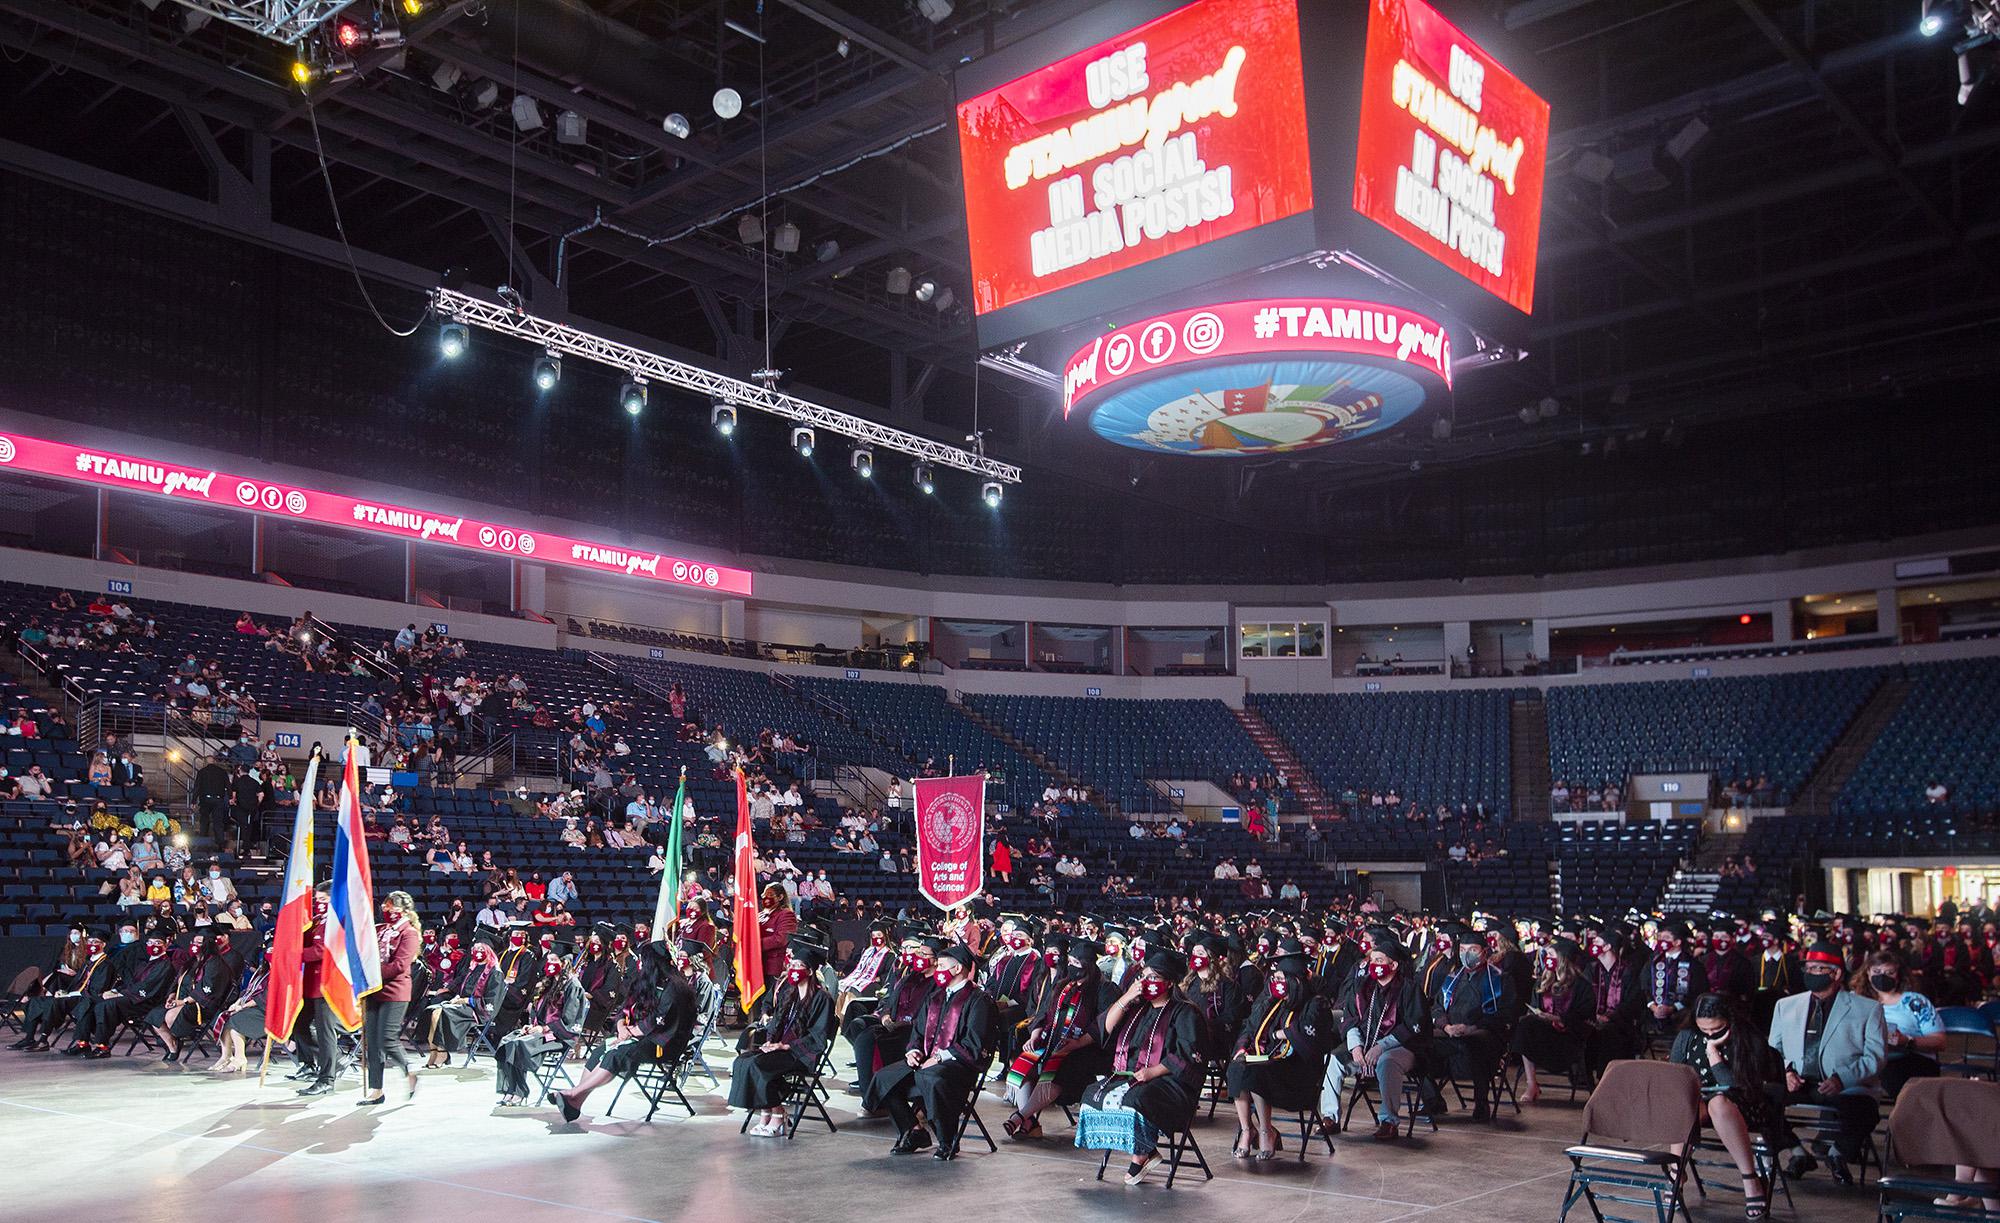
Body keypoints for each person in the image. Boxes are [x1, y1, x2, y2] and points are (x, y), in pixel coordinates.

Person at [1083, 946, 1204, 1184]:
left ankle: (1142, 1154)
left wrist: (1153, 1072)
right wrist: (1127, 996)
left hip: (1170, 1081)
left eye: (1154, 977)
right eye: (1144, 976)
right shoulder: (1138, 1008)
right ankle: (1143, 1149)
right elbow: (1104, 1028)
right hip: (1133, 1075)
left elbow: (1188, 1054)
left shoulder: (1185, 1012)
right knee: (1092, 1093)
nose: (1147, 982)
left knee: (1137, 1099)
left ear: (1169, 982)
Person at [1769, 939, 1886, 1185]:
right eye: (1808, 968)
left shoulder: (1867, 1009)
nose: (1810, 974)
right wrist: (1786, 1071)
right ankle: (1798, 1153)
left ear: (1836, 973)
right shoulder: (1786, 1006)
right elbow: (1774, 1050)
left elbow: (1875, 1057)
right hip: (1799, 1082)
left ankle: (1838, 1154)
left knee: (1865, 1110)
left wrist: (1842, 1078)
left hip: (1845, 1084)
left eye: (1817, 969)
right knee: (1758, 1102)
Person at [550, 940, 698, 1122]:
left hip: (663, 1042)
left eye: (644, 960)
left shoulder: (675, 987)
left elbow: (661, 1018)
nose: (640, 964)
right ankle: (576, 1103)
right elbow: (624, 1007)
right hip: (637, 1035)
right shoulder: (645, 981)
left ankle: (573, 1093)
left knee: (616, 1054)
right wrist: (621, 1027)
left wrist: (632, 1032)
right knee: (600, 1050)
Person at [872, 942, 995, 1159]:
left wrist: (940, 1057)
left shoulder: (979, 1000)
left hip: (959, 1065)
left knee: (931, 1078)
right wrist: (913, 1051)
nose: (937, 971)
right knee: (884, 1078)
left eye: (941, 966)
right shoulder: (935, 997)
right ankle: (913, 1130)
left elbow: (975, 1043)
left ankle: (947, 1140)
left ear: (957, 969)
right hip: (927, 1062)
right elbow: (918, 1033)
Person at [1670, 994, 1783, 1220]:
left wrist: (1713, 1054)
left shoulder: (1747, 1038)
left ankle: (1750, 1179)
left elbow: (1738, 1087)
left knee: (1719, 1103)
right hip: (1700, 1104)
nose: (1710, 1034)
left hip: (1745, 1105)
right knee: (1685, 1104)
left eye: (1717, 1029)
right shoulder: (1688, 1036)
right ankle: (1677, 1173)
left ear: (1729, 1020)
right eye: (1705, 1030)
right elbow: (1676, 1075)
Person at [1226, 941, 1333, 1158]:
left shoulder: (1315, 1004)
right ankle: (1248, 1131)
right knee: (1237, 1067)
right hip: (1268, 1064)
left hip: (1297, 1075)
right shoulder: (1269, 1002)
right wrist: (1242, 1048)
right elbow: (1250, 1027)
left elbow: (1309, 1039)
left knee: (1256, 1072)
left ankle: (1267, 1132)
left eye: (1281, 979)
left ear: (1295, 982)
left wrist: (1278, 1035)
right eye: (1275, 979)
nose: (1276, 983)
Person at [729, 935, 838, 1136]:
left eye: (799, 965)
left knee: (759, 1065)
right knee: (743, 1061)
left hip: (800, 1054)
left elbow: (818, 1036)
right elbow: (777, 1021)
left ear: (810, 970)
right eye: (792, 964)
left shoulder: (823, 999)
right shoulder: (789, 992)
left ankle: (777, 1113)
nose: (793, 969)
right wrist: (771, 1042)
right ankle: (766, 1111)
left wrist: (786, 1047)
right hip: (779, 1048)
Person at [1002, 935, 1107, 1139]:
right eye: (1071, 962)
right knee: (1022, 1060)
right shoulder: (1062, 985)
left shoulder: (1102, 989)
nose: (1072, 966)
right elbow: (1044, 1013)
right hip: (1050, 1039)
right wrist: (1035, 1034)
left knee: (1061, 1069)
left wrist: (1077, 1043)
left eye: (1076, 963)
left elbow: (1102, 1024)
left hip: (1082, 1048)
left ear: (1087, 965)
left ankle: (1020, 1116)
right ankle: (1030, 1123)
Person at [1328, 931, 1428, 1139]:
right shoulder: (1363, 986)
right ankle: (1330, 1118)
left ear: (1393, 965)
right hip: (1364, 1046)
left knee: (1386, 1062)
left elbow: (1414, 1026)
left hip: (1400, 1048)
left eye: (1379, 960)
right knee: (1333, 1060)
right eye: (1372, 960)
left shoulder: (1409, 989)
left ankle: (1388, 1121)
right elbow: (1350, 1018)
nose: (1374, 964)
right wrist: (1355, 1046)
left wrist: (1381, 1046)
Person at [1420, 924, 1519, 1122]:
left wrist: (1471, 1028)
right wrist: (1445, 1026)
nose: (1467, 955)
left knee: (1478, 1042)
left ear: (1484, 952)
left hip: (1482, 1034)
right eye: (1463, 950)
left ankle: (1481, 1102)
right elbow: (1437, 1006)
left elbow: (1506, 1014)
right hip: (1450, 1034)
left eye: (1472, 950)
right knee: (1418, 1045)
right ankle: (1433, 1100)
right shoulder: (1452, 978)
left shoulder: (1499, 980)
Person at [845, 934, 935, 1104]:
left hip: (914, 1031)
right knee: (862, 1032)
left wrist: (905, 1024)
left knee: (870, 1040)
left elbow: (931, 1016)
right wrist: (886, 1016)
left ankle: (875, 1095)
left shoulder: (937, 985)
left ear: (936, 960)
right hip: (893, 1024)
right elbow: (892, 999)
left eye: (923, 954)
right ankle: (870, 1092)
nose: (918, 957)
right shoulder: (910, 977)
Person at [494, 949, 586, 1105]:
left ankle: (519, 1091)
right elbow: (539, 1013)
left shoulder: (573, 986)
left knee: (519, 1044)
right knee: (507, 1041)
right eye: (548, 960)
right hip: (541, 1031)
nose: (549, 964)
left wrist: (543, 1029)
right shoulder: (550, 982)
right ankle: (511, 1089)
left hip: (559, 1035)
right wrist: (531, 1026)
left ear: (564, 963)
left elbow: (569, 1019)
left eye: (554, 960)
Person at [1511, 937, 1596, 1104]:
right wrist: (1538, 1015)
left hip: (1568, 1037)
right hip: (1545, 1034)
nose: (1547, 959)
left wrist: (1558, 1018)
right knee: (1524, 1025)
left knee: (1528, 1027)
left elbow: (1585, 1016)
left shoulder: (1581, 986)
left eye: (1551, 955)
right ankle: (1531, 1083)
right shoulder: (1542, 982)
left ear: (1562, 958)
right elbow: (1534, 1007)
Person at [359, 890, 422, 1106]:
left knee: (387, 1038)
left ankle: (409, 1069)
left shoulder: (409, 933)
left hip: (395, 992)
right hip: (373, 991)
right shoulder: (380, 930)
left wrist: (372, 975)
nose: (387, 911)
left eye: (392, 907)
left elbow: (399, 965)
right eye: (385, 907)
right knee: (373, 1044)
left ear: (404, 910)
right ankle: (377, 1090)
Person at [1853, 949, 1944, 1098]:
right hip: (1867, 1058)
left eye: (1889, 972)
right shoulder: (1856, 1001)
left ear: (1898, 975)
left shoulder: (1915, 1002)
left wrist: (1907, 1041)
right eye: (1876, 971)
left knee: (1891, 1073)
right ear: (1867, 973)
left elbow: (1940, 1041)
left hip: (1908, 1059)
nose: (1882, 976)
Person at [423, 932, 505, 1066]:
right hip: (463, 1005)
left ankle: (442, 1051)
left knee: (439, 1012)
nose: (478, 952)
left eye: (481, 949)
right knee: (432, 1011)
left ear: (489, 952)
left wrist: (466, 1001)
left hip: (478, 1010)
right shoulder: (472, 968)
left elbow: (491, 1002)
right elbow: (464, 990)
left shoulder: (495, 972)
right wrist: (457, 998)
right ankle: (434, 1051)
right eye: (476, 949)